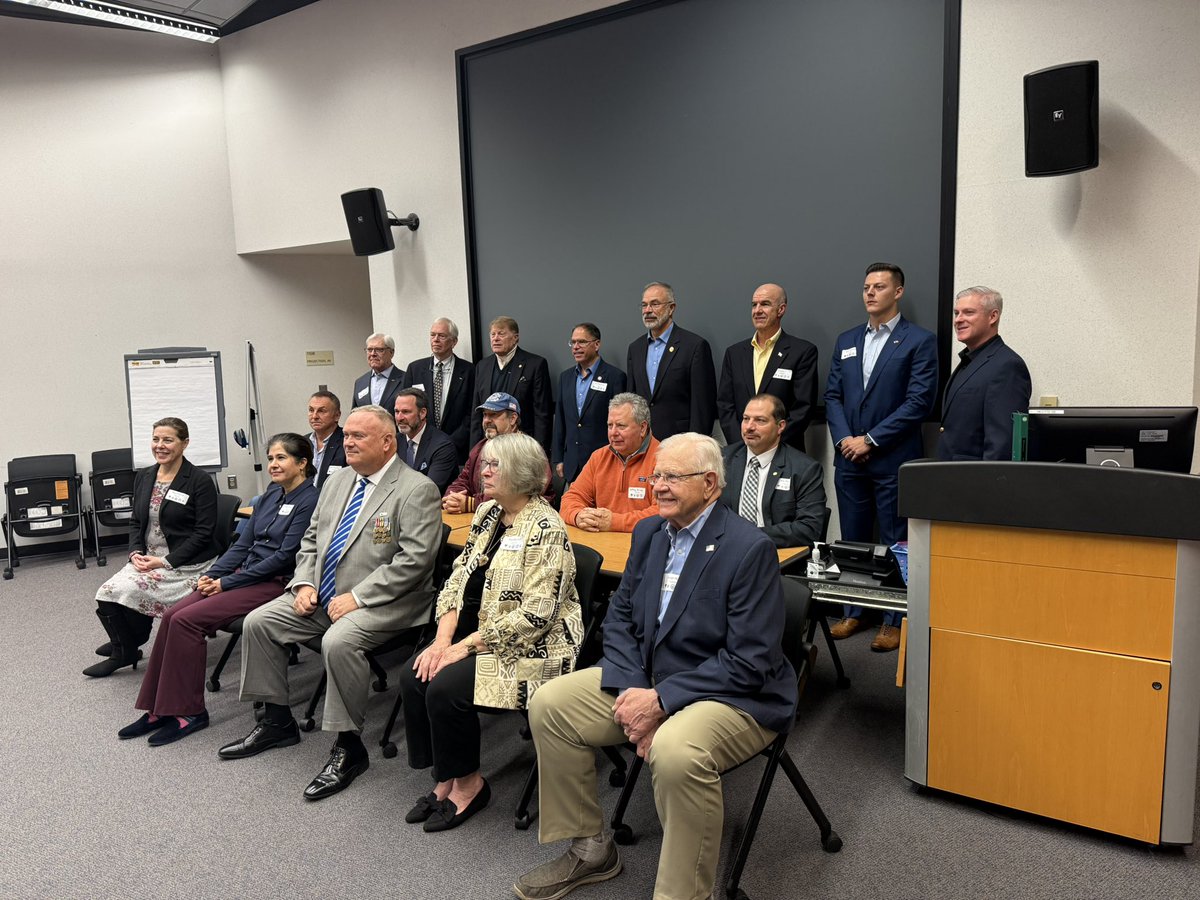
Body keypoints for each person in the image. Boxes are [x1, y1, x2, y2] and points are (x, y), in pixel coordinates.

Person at [515, 433, 796, 900]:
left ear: (710, 484)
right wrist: (634, 692)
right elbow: (621, 617)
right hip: (648, 677)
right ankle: (590, 850)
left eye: (671, 477)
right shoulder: (649, 533)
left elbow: (752, 661)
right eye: (656, 476)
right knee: (550, 704)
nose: (658, 486)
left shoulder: (748, 549)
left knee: (676, 751)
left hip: (733, 692)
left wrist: (662, 702)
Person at [216, 406, 442, 802]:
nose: (347, 442)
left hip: (387, 602)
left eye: (358, 436)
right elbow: (311, 540)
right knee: (259, 621)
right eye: (347, 435)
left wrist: (357, 597)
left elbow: (414, 560)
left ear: (388, 442)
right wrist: (304, 583)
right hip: (323, 594)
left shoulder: (416, 489)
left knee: (339, 641)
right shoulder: (337, 481)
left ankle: (348, 747)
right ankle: (276, 722)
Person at [398, 432, 583, 833]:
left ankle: (470, 785)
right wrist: (442, 641)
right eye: (485, 462)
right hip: (481, 635)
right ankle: (445, 777)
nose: (484, 469)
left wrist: (462, 649)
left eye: (495, 464)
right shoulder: (487, 515)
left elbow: (536, 616)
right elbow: (456, 580)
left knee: (446, 688)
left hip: (537, 651)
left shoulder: (546, 527)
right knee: (415, 674)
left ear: (522, 472)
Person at [117, 433, 318, 745]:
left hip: (274, 583)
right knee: (172, 615)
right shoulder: (270, 496)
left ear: (303, 463)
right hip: (242, 574)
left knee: (187, 621)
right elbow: (243, 545)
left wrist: (226, 583)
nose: (273, 465)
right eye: (271, 458)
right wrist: (212, 575)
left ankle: (189, 712)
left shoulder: (310, 500)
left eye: (281, 458)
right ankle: (159, 709)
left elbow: (284, 558)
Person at [825, 262, 938, 652]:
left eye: (879, 286)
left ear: (898, 292)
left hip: (893, 460)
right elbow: (833, 396)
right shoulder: (847, 340)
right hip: (849, 460)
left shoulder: (919, 341)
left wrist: (870, 439)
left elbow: (918, 402)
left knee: (895, 543)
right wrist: (844, 440)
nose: (870, 293)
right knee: (853, 541)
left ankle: (894, 620)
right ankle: (853, 611)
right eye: (866, 287)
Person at [84, 417, 221, 678]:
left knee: (116, 590)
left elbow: (204, 534)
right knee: (106, 594)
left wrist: (163, 561)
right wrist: (135, 552)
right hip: (148, 556)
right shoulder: (145, 476)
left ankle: (123, 647)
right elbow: (136, 520)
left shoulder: (198, 480)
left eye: (168, 440)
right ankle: (127, 644)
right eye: (156, 439)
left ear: (185, 443)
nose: (160, 445)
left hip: (186, 563)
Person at [717, 282, 819, 451]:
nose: (757, 311)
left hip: (784, 451)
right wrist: (743, 445)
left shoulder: (802, 352)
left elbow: (803, 408)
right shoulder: (735, 353)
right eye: (754, 305)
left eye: (765, 304)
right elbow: (725, 404)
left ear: (781, 310)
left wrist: (771, 444)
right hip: (742, 451)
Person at [937, 286, 1031, 461]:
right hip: (951, 476)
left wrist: (987, 486)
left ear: (993, 316)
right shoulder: (970, 360)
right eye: (956, 313)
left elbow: (1002, 444)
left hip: (976, 481)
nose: (958, 319)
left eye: (968, 312)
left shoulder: (1007, 365)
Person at [720, 394, 825, 548]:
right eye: (745, 418)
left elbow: (809, 528)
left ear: (780, 426)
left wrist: (751, 536)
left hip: (776, 551)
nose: (749, 427)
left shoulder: (804, 469)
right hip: (726, 548)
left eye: (760, 420)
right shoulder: (721, 459)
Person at [626, 281, 717, 442]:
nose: (647, 310)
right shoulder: (635, 348)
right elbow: (632, 400)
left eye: (654, 304)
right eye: (644, 305)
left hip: (681, 442)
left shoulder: (694, 346)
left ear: (671, 308)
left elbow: (703, 405)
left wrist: (695, 444)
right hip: (643, 442)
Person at [560, 393, 659, 533]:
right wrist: (578, 516)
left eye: (621, 426)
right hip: (601, 543)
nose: (613, 433)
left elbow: (662, 513)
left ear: (642, 428)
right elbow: (571, 498)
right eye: (609, 425)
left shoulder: (663, 459)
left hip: (645, 547)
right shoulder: (599, 457)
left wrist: (614, 522)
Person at [444, 393, 554, 514]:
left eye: (493, 415)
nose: (486, 420)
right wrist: (452, 498)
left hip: (524, 521)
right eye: (485, 415)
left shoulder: (528, 450)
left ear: (512, 419)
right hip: (479, 519)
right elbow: (462, 481)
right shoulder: (480, 447)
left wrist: (472, 504)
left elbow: (518, 495)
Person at [552, 323, 626, 485]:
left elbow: (621, 422)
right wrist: (558, 458)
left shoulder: (614, 377)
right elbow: (561, 420)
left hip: (604, 462)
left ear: (597, 344)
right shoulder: (565, 378)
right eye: (573, 343)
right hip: (572, 465)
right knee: (571, 509)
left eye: (582, 342)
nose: (576, 347)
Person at [470, 316, 553, 454]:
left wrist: (540, 451)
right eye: (492, 334)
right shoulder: (482, 366)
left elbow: (542, 413)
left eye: (501, 334)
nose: (495, 338)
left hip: (522, 446)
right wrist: (473, 452)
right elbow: (475, 413)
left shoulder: (535, 364)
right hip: (490, 445)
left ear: (515, 337)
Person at [404, 317, 476, 464]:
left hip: (457, 448)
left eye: (441, 336)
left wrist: (452, 441)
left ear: (454, 342)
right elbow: (406, 407)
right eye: (432, 335)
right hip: (422, 447)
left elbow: (472, 411)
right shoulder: (415, 369)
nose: (435, 340)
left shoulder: (469, 371)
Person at [394, 387, 458, 494]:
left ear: (422, 413)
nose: (399, 418)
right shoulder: (394, 441)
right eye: (396, 411)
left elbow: (429, 490)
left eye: (406, 412)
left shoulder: (443, 445)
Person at [351, 332, 405, 411]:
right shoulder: (360, 382)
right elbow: (355, 414)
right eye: (369, 350)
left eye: (379, 350)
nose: (373, 354)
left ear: (391, 352)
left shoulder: (406, 379)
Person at [307, 390, 346, 489]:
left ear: (337, 415)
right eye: (311, 410)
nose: (314, 416)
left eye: (321, 411)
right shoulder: (301, 443)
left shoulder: (347, 441)